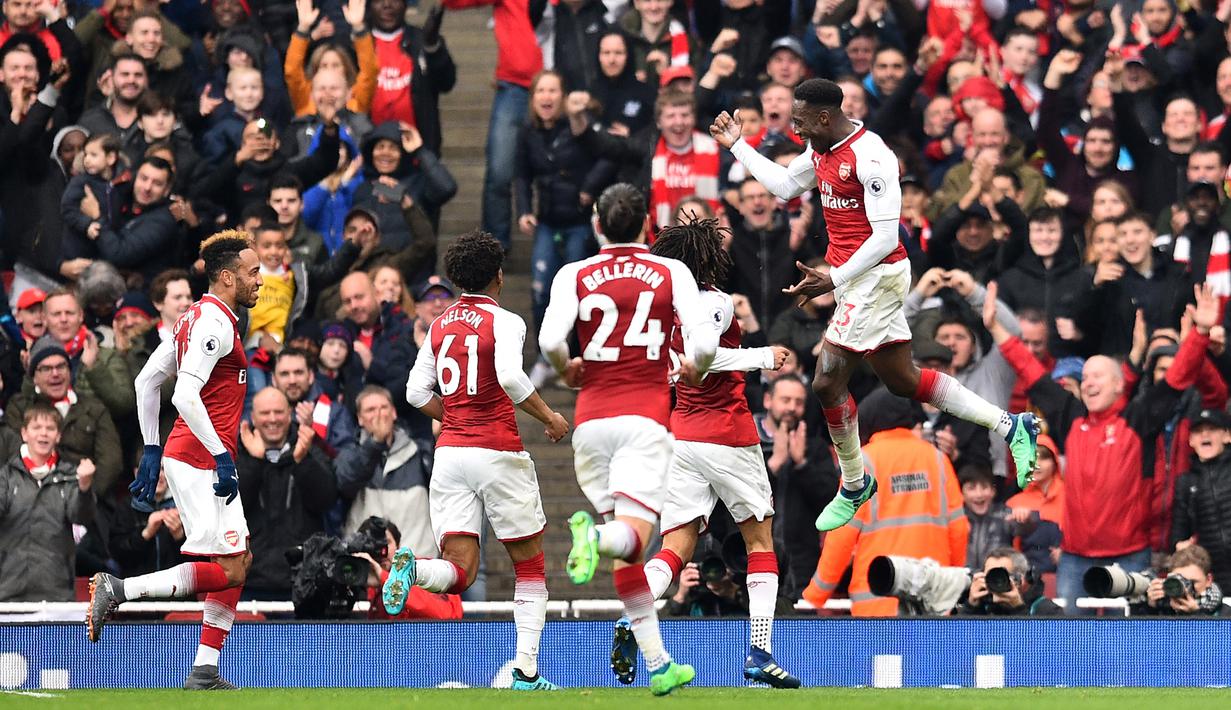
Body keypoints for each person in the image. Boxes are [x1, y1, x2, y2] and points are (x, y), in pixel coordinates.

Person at [710, 78, 1039, 533]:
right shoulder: (824, 148)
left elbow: (886, 238)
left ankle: (853, 481)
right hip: (854, 281)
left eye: (801, 122)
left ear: (824, 117)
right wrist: (737, 147)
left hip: (878, 276)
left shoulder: (873, 156)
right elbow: (786, 186)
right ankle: (1010, 424)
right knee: (903, 380)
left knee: (826, 381)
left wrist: (833, 278)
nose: (797, 130)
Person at [538, 183, 718, 696]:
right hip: (644, 418)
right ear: (647, 225)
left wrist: (566, 368)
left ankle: (660, 665)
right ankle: (589, 537)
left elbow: (550, 340)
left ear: (596, 223)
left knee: (629, 555)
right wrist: (694, 368)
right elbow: (702, 341)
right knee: (635, 537)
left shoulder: (575, 273)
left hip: (590, 422)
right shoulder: (670, 270)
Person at [613, 216, 798, 688]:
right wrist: (761, 356)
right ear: (706, 258)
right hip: (728, 431)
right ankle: (760, 651)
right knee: (759, 541)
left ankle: (632, 615)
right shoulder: (710, 301)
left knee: (675, 545)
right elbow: (704, 359)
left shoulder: (657, 310)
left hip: (681, 435)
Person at [388, 230, 570, 690]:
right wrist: (549, 416)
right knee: (528, 565)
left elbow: (414, 392)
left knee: (459, 570)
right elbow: (509, 375)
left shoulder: (440, 323)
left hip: (450, 454)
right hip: (497, 450)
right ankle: (526, 671)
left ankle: (414, 570)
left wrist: (453, 415)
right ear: (499, 276)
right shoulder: (506, 321)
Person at [87, 231, 262, 690]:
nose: (260, 281)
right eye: (253, 273)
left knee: (238, 561)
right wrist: (222, 456)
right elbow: (182, 393)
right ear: (227, 277)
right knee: (227, 568)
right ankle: (120, 588)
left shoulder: (192, 318)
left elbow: (147, 382)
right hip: (204, 457)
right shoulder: (214, 324)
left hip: (194, 454)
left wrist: (150, 449)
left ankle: (205, 669)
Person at [803, 389, 968, 617]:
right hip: (932, 604)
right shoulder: (937, 459)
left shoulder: (864, 463)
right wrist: (952, 586)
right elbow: (959, 529)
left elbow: (841, 536)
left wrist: (815, 596)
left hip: (876, 604)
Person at [237, 387, 337, 600]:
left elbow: (326, 500)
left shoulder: (309, 448)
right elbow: (232, 506)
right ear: (253, 417)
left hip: (303, 581)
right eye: (265, 413)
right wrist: (255, 461)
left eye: (279, 412)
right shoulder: (237, 454)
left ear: (289, 414)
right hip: (249, 583)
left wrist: (302, 461)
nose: (272, 419)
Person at [0, 402, 96, 601]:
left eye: (50, 428)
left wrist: (85, 488)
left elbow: (82, 516)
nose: (43, 433)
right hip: (8, 590)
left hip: (56, 591)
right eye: (36, 428)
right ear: (24, 433)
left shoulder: (70, 475)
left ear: (58, 436)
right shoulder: (6, 476)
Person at [959, 547, 1062, 616]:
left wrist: (1018, 608)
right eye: (990, 576)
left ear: (1021, 579)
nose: (996, 581)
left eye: (1002, 576)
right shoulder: (981, 605)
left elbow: (1040, 646)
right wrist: (970, 606)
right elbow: (956, 643)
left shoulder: (1046, 610)